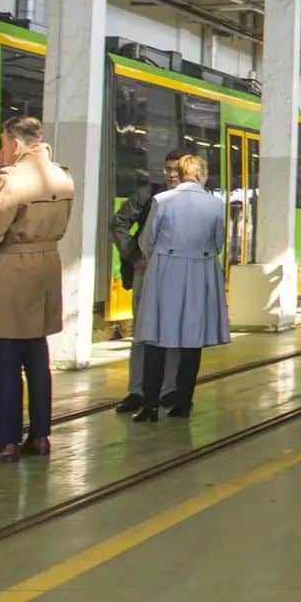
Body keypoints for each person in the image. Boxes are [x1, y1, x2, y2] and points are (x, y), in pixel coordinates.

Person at [0, 117, 72, 463]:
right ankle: (40, 436)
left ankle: (7, 441)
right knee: (37, 357)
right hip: (47, 266)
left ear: (14, 143)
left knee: (5, 357)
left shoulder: (12, 180)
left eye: (2, 145)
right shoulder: (60, 175)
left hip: (11, 268)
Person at [131, 154, 228, 422]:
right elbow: (218, 242)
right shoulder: (214, 204)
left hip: (165, 269)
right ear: (201, 174)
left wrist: (161, 256)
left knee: (156, 337)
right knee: (191, 341)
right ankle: (183, 403)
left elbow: (147, 240)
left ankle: (149, 406)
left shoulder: (162, 201)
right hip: (200, 270)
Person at [109, 150, 184, 414]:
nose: (171, 174)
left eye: (176, 169)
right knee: (142, 332)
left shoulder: (194, 199)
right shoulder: (147, 195)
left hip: (176, 273)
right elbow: (118, 222)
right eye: (167, 169)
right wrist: (134, 256)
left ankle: (169, 389)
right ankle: (137, 390)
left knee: (174, 332)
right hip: (147, 272)